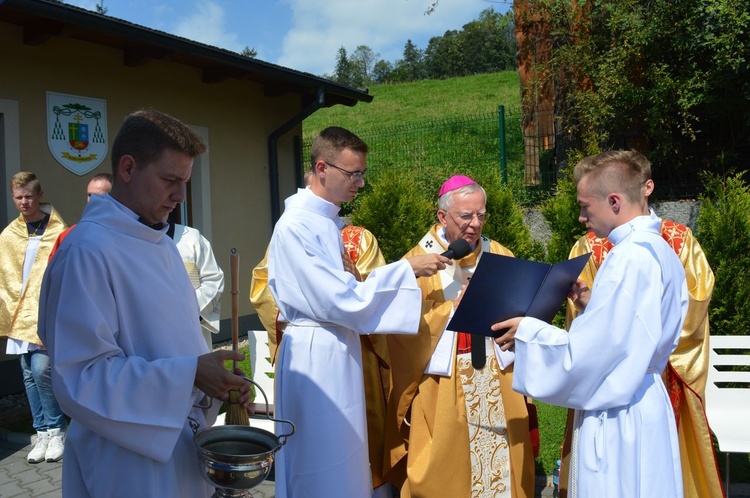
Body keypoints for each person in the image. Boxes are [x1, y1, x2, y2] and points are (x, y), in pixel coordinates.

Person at [38, 108, 250, 498]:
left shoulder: (161, 245)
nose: (180, 195)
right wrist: (189, 376)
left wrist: (213, 386)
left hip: (181, 445)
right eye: (170, 179)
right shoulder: (87, 251)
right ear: (128, 168)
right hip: (126, 462)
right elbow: (79, 376)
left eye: (185, 182)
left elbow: (181, 347)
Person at [492, 150, 689, 498]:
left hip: (619, 410)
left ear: (614, 201)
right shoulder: (659, 249)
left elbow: (591, 355)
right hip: (643, 397)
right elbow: (632, 329)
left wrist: (528, 331)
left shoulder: (627, 257)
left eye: (585, 206)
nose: (582, 217)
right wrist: (592, 305)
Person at [267, 126, 449, 498]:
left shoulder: (324, 221)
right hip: (315, 355)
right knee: (319, 459)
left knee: (344, 456)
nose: (361, 183)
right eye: (353, 173)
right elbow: (338, 300)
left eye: (362, 173)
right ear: (322, 168)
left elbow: (344, 291)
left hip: (335, 347)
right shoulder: (298, 225)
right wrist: (406, 269)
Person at [384, 174, 536, 498]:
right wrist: (450, 310)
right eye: (466, 216)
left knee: (503, 470)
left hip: (499, 379)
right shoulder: (418, 262)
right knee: (445, 473)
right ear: (442, 216)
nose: (475, 224)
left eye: (481, 215)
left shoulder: (500, 255)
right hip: (444, 383)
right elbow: (397, 330)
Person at [559, 221, 722, 498]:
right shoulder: (590, 245)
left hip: (650, 374)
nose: (582, 217)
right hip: (636, 375)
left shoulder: (674, 240)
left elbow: (694, 298)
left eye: (585, 206)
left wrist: (648, 343)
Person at [251, 223, 394, 497]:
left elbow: (378, 289)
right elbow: (263, 286)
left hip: (357, 354)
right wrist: (298, 314)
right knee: (311, 441)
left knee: (359, 436)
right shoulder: (292, 231)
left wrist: (359, 278)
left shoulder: (359, 238)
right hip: (308, 353)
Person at [0, 172, 68, 464]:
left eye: (28, 196)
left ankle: (57, 429)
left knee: (42, 369)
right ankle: (41, 431)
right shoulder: (9, 234)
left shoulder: (57, 229)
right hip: (19, 311)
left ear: (40, 195)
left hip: (45, 309)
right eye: (18, 197)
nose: (24, 202)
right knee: (27, 372)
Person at [167, 221, 224, 350]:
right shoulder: (131, 240)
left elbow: (213, 279)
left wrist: (188, 309)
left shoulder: (192, 239)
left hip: (190, 327)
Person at [49, 172, 113, 259]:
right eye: (90, 195)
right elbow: (54, 269)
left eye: (99, 196)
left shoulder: (129, 233)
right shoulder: (69, 235)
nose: (92, 200)